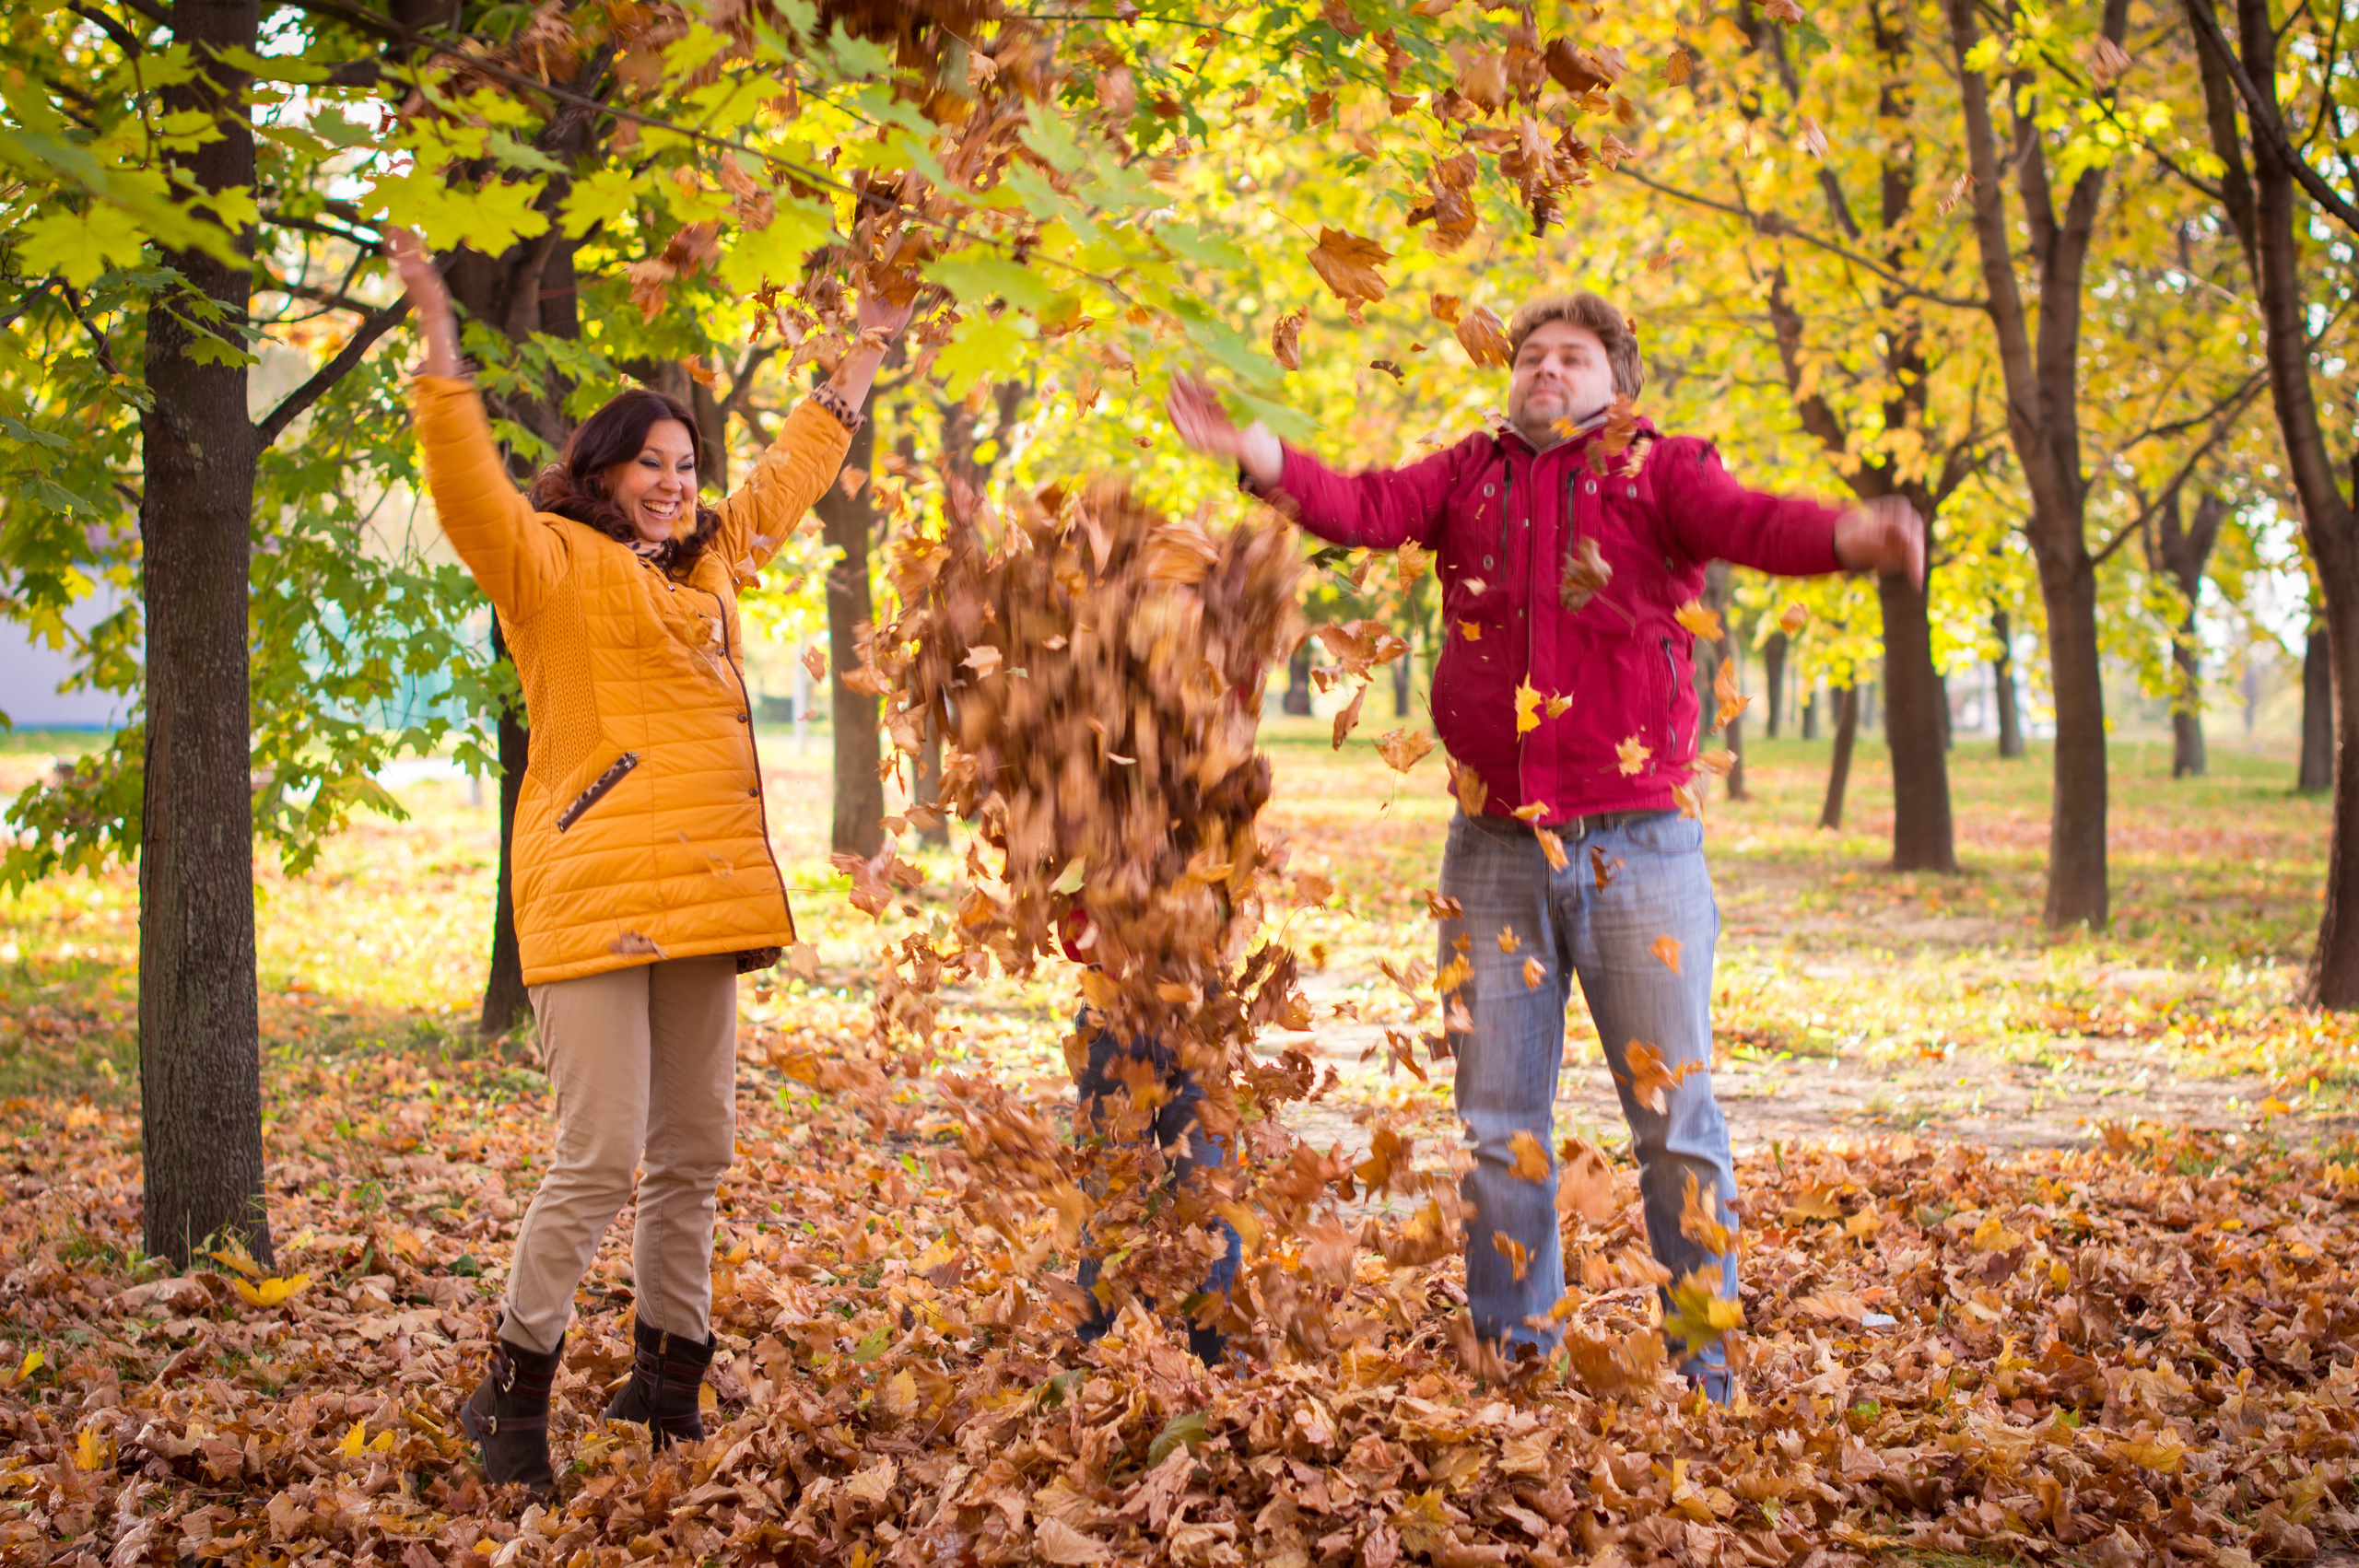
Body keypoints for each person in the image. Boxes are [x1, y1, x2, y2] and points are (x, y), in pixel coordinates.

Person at [1165, 290, 1920, 1400]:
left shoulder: (1657, 471)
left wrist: (1849, 537)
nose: (1546, 369)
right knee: (1499, 1127)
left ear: (1618, 384)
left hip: (1637, 850)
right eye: (1530, 356)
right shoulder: (1467, 475)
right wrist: (1254, 450)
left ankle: (1702, 1367)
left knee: (1674, 1125)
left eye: (1572, 356)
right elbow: (1361, 504)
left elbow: (1751, 523)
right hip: (1492, 853)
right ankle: (1516, 1360)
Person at [388, 229, 911, 1488]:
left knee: (695, 1151)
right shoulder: (548, 561)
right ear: (603, 470)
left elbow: (791, 472)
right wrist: (438, 347)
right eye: (650, 465)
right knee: (600, 1151)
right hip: (589, 891)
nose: (674, 486)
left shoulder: (713, 562)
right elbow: (467, 496)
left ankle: (667, 1380)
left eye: (685, 466)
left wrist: (866, 347)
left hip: (705, 891)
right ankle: (512, 1389)